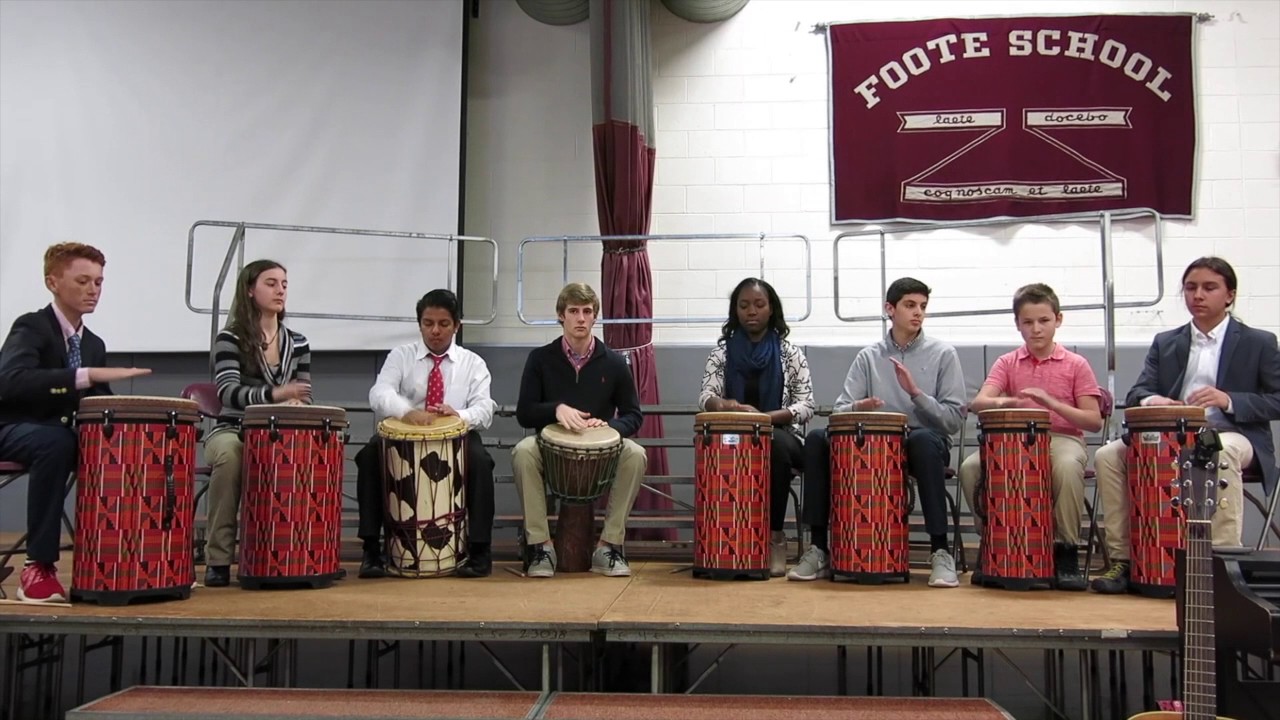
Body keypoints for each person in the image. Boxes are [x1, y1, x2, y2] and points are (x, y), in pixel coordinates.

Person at [1091, 256, 1280, 594]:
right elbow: (1137, 392)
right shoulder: (1167, 341)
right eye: (1191, 288)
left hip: (1233, 433)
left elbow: (1276, 400)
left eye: (1209, 287)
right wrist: (1154, 400)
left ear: (1230, 295)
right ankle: (1123, 559)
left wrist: (1229, 399)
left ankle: (1221, 563)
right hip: (1172, 433)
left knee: (1219, 452)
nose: (1198, 295)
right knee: (1107, 456)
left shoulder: (1260, 342)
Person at [789, 277, 966, 587]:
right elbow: (839, 412)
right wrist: (858, 407)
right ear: (890, 309)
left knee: (923, 440)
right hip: (870, 445)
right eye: (910, 305)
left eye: (923, 306)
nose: (918, 312)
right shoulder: (869, 357)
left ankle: (940, 551)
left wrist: (916, 393)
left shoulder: (943, 354)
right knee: (816, 438)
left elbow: (953, 420)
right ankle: (818, 547)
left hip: (922, 443)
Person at [0, 243, 151, 603]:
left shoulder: (93, 343)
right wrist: (81, 376)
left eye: (98, 282)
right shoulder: (31, 326)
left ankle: (127, 558)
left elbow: (99, 401)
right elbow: (10, 381)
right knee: (56, 442)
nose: (93, 290)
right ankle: (38, 566)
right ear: (52, 282)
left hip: (57, 437)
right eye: (83, 281)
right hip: (12, 428)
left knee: (123, 443)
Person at [958, 283, 1102, 591]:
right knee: (970, 468)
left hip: (1060, 438)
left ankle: (1065, 551)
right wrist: (1005, 402)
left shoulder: (1076, 364)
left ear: (1058, 320)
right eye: (1028, 322)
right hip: (1013, 441)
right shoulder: (1007, 362)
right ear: (1017, 324)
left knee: (1066, 467)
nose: (1036, 329)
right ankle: (992, 544)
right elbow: (979, 403)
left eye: (1044, 320)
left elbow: (1093, 421)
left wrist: (1051, 404)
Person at [356, 289, 497, 578]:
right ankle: (371, 550)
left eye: (443, 324)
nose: (435, 331)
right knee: (369, 456)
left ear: (456, 326)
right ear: (419, 324)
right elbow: (379, 393)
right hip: (403, 435)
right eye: (428, 323)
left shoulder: (473, 363)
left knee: (481, 461)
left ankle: (480, 550)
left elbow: (485, 409)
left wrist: (459, 415)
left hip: (455, 436)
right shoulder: (401, 356)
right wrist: (406, 411)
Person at [512, 282, 645, 578]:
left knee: (635, 454)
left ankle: (608, 546)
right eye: (573, 311)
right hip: (551, 451)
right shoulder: (540, 359)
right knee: (523, 451)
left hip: (601, 454)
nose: (581, 318)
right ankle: (541, 547)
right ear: (561, 315)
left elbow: (634, 415)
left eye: (587, 311)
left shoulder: (614, 363)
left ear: (595, 316)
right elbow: (524, 412)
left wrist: (610, 426)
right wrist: (556, 409)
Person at [203, 260, 311, 588]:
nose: (280, 290)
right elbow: (227, 392)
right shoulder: (230, 338)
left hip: (279, 433)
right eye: (271, 283)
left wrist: (298, 403)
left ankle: (297, 554)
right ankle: (218, 559)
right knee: (230, 455)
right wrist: (275, 394)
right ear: (250, 290)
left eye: (284, 284)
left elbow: (305, 394)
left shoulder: (299, 342)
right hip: (233, 429)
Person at [698, 277, 815, 577]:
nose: (752, 311)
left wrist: (764, 420)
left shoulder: (791, 354)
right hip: (734, 438)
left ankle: (775, 537)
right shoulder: (721, 354)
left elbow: (806, 406)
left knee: (772, 446)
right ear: (735, 310)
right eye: (744, 305)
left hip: (782, 437)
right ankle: (720, 541)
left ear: (771, 308)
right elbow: (705, 396)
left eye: (759, 305)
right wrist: (725, 405)